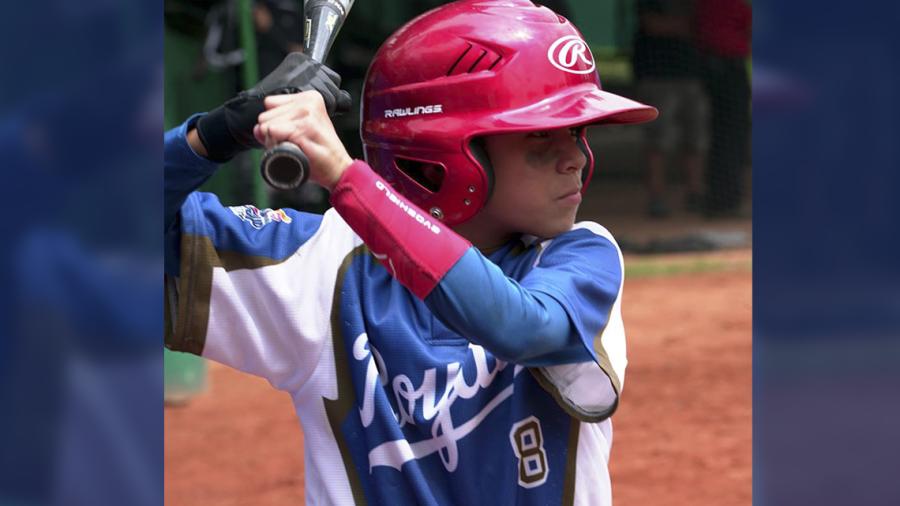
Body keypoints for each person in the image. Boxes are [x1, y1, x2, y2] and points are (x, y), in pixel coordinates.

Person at [165, 1, 657, 504]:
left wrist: (344, 176)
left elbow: (522, 327)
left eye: (576, 132)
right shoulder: (320, 264)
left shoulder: (579, 257)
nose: (575, 157)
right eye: (540, 136)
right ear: (441, 156)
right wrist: (212, 136)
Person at [632, 0, 709, 218]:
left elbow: (700, 26)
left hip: (690, 76)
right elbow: (652, 25)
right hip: (658, 77)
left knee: (696, 140)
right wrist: (685, 25)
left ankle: (695, 193)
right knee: (658, 141)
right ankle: (657, 197)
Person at [695, 0, 751, 217]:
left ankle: (720, 199)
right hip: (728, 70)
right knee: (731, 136)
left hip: (713, 69)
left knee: (721, 136)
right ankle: (725, 201)